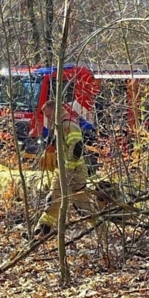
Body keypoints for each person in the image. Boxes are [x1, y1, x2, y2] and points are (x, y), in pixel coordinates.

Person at [33, 100, 98, 238]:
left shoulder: (68, 125)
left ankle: (100, 228)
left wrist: (66, 170)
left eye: (49, 116)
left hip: (73, 172)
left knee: (83, 206)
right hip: (64, 171)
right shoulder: (60, 126)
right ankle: (41, 232)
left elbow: (76, 147)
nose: (48, 119)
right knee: (53, 200)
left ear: (55, 112)